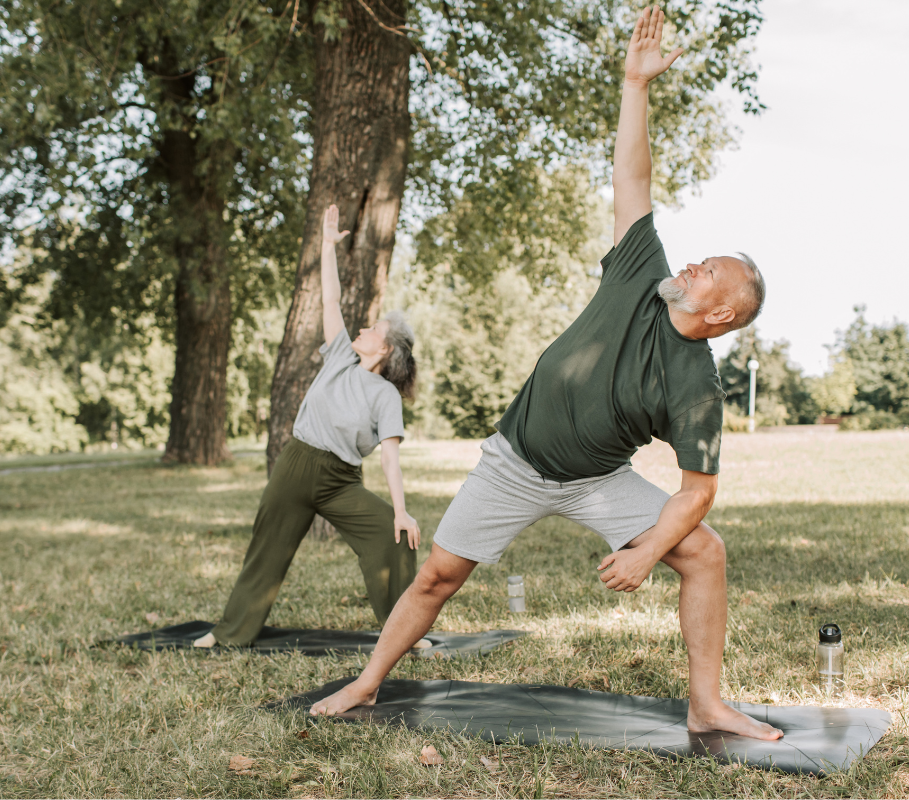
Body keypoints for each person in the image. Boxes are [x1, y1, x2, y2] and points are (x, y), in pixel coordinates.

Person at [310, 6, 780, 740]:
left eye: (709, 269)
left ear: (721, 314)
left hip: (594, 479)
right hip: (514, 460)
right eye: (700, 256)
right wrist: (635, 84)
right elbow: (632, 172)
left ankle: (707, 704)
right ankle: (368, 685)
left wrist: (648, 550)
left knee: (704, 552)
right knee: (437, 577)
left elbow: (698, 492)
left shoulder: (696, 385)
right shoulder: (641, 271)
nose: (692, 263)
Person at [193, 204, 421, 647]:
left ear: (386, 349)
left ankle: (404, 635)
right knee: (267, 549)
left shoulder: (385, 395)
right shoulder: (339, 355)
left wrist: (400, 510)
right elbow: (331, 297)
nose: (363, 326)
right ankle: (229, 634)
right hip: (296, 466)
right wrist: (327, 246)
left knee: (394, 537)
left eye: (373, 327)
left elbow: (390, 459)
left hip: (340, 481)